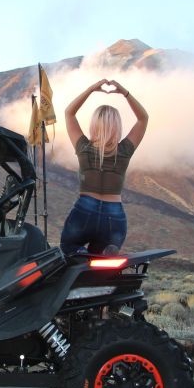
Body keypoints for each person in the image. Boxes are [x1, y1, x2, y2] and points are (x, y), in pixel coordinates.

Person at [60, 78, 148, 256]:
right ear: (118, 127)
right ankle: (103, 257)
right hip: (114, 215)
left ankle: (80, 256)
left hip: (85, 209)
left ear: (94, 125)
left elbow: (69, 113)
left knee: (69, 248)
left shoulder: (83, 147)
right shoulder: (124, 150)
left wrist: (91, 89)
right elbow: (143, 118)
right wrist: (125, 92)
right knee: (102, 264)